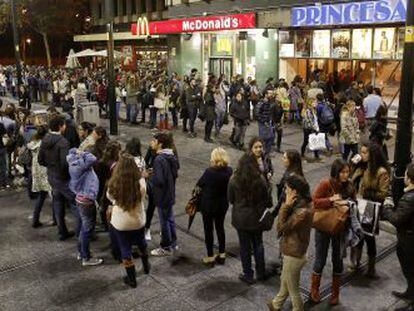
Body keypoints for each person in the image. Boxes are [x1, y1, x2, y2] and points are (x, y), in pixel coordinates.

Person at [311, 159, 356, 306]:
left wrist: (348, 204)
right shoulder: (326, 184)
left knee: (338, 261)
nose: (345, 175)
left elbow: (354, 204)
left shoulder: (350, 186)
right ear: (335, 172)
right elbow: (315, 201)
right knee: (320, 259)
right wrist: (331, 200)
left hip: (340, 229)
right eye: (342, 172)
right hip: (323, 227)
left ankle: (335, 294)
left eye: (347, 172)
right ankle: (314, 290)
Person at [228, 137, 273, 284]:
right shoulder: (260, 180)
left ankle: (248, 274)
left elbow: (230, 198)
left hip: (241, 218)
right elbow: (267, 199)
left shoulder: (234, 179)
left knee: (245, 247)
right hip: (256, 217)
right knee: (258, 244)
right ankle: (261, 272)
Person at [267, 174, 313, 311]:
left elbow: (281, 228)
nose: (285, 191)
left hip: (294, 253)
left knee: (293, 288)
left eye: (287, 188)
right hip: (295, 251)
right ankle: (276, 304)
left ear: (295, 191)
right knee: (286, 280)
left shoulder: (301, 212)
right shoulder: (303, 204)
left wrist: (285, 206)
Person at [107, 153, 150, 288]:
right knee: (141, 243)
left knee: (125, 249)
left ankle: (132, 280)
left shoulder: (114, 183)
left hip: (120, 222)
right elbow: (142, 197)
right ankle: (146, 266)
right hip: (137, 220)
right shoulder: (141, 183)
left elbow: (110, 198)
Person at [350, 142, 390, 277]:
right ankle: (356, 261)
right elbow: (352, 181)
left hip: (369, 207)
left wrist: (367, 194)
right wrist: (353, 165)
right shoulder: (362, 166)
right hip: (358, 204)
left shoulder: (381, 171)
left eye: (365, 152)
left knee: (368, 236)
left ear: (372, 154)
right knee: (357, 233)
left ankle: (371, 268)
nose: (362, 155)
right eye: (361, 152)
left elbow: (383, 194)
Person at [38, 114, 80, 241]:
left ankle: (62, 232)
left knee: (58, 204)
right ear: (60, 127)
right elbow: (65, 163)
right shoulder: (63, 142)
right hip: (63, 179)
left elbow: (40, 160)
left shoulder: (45, 139)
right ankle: (81, 233)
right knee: (76, 205)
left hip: (51, 176)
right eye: (64, 125)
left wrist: (51, 167)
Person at [383, 163, 414, 303]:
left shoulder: (409, 198)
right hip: (407, 236)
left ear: (409, 178)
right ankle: (410, 292)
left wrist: (388, 206)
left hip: (409, 239)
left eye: (406, 174)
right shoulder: (409, 194)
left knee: (410, 268)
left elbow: (396, 219)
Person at [196, 147, 233, 266]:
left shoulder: (209, 172)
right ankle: (222, 254)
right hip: (222, 205)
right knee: (220, 228)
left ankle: (210, 256)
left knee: (208, 230)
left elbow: (199, 184)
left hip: (208, 205)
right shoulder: (229, 171)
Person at [67, 148, 103, 266]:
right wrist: (82, 152)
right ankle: (86, 258)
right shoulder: (80, 165)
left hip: (81, 198)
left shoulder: (73, 164)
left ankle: (81, 252)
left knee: (84, 228)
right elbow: (92, 158)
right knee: (87, 229)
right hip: (86, 200)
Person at [150, 132, 180, 256]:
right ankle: (174, 243)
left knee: (164, 221)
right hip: (170, 192)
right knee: (170, 219)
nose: (152, 142)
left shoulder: (159, 159)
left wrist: (150, 176)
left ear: (160, 144)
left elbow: (160, 180)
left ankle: (166, 247)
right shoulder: (171, 156)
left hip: (162, 195)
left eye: (154, 141)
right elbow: (174, 174)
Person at [28, 126, 53, 228]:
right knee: (54, 196)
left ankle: (35, 219)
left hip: (36, 171)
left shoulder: (32, 143)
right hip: (45, 170)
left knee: (41, 196)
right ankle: (56, 220)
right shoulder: (45, 144)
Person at [276, 150, 304, 215]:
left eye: (284, 158)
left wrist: (275, 211)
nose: (282, 159)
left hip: (288, 207)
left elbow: (283, 196)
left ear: (291, 161)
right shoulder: (294, 172)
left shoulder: (291, 177)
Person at [257, 89, 275, 155]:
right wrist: (263, 121)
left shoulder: (270, 102)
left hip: (268, 122)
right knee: (263, 139)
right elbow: (257, 114)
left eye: (272, 93)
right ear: (266, 95)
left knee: (270, 137)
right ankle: (262, 153)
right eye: (269, 93)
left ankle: (267, 153)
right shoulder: (262, 102)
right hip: (263, 123)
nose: (271, 95)